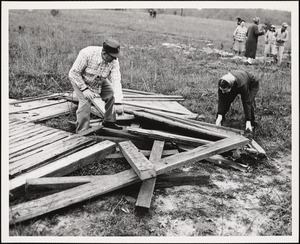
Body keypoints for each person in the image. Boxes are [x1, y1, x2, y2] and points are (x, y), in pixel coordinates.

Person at [69, 39, 124, 133]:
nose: (114, 59)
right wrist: (84, 89)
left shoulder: (114, 61)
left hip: (98, 79)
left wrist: (118, 103)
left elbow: (116, 80)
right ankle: (82, 131)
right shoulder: (87, 53)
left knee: (111, 93)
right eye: (112, 57)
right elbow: (73, 73)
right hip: (80, 80)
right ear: (104, 53)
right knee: (85, 102)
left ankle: (109, 121)